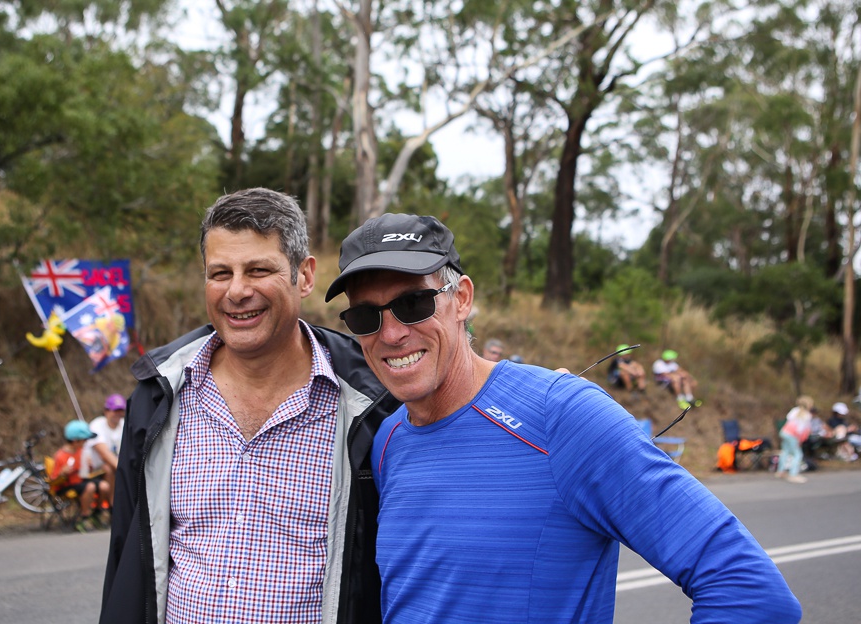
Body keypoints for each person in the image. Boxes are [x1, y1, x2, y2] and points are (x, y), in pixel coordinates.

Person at [325, 213, 801, 623]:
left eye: (413, 303)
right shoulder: (387, 439)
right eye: (366, 317)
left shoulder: (561, 415)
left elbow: (748, 588)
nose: (390, 333)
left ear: (462, 299)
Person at [99, 188, 400, 624]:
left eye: (259, 270)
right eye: (220, 273)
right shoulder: (158, 396)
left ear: (305, 275)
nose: (237, 291)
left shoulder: (372, 406)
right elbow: (128, 553)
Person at [51, 419, 107, 532]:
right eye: (84, 440)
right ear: (75, 440)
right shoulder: (60, 455)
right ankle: (84, 517)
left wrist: (90, 466)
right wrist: (62, 472)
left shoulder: (82, 451)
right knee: (90, 486)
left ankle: (97, 512)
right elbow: (53, 480)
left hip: (82, 481)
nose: (86, 442)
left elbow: (86, 472)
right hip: (66, 485)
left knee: (104, 486)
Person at [83, 393, 126, 507]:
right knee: (109, 468)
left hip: (116, 464)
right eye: (115, 410)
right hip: (93, 468)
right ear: (106, 411)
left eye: (121, 410)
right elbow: (104, 453)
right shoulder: (97, 425)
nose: (118, 414)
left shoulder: (124, 424)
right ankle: (112, 505)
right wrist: (124, 469)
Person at [776, 395, 813, 483]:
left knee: (785, 451)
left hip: (784, 432)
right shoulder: (807, 415)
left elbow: (788, 420)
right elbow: (802, 430)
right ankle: (793, 474)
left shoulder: (794, 411)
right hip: (793, 435)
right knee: (797, 454)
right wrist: (800, 440)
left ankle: (780, 471)